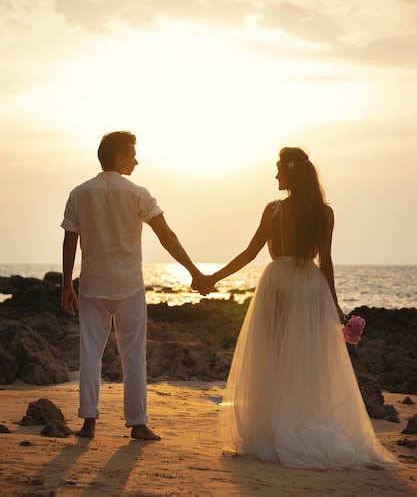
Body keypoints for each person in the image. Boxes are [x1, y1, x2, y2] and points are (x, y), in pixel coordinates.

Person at [193, 147, 399, 469]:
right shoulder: (324, 212)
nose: (276, 176)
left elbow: (250, 253)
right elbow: (325, 263)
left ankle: (275, 427)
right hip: (308, 285)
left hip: (277, 283)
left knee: (273, 356)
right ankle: (296, 420)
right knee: (304, 359)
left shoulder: (274, 211)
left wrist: (213, 278)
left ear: (291, 174)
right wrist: (335, 307)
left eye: (279, 170)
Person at [61, 131, 202, 440]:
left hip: (93, 286)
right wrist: (194, 271)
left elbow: (70, 240)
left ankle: (88, 422)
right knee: (133, 355)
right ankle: (137, 424)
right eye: (132, 155)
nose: (137, 160)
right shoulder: (138, 193)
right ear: (120, 158)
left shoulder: (79, 193)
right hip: (128, 286)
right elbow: (167, 236)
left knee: (89, 354)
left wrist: (66, 285)